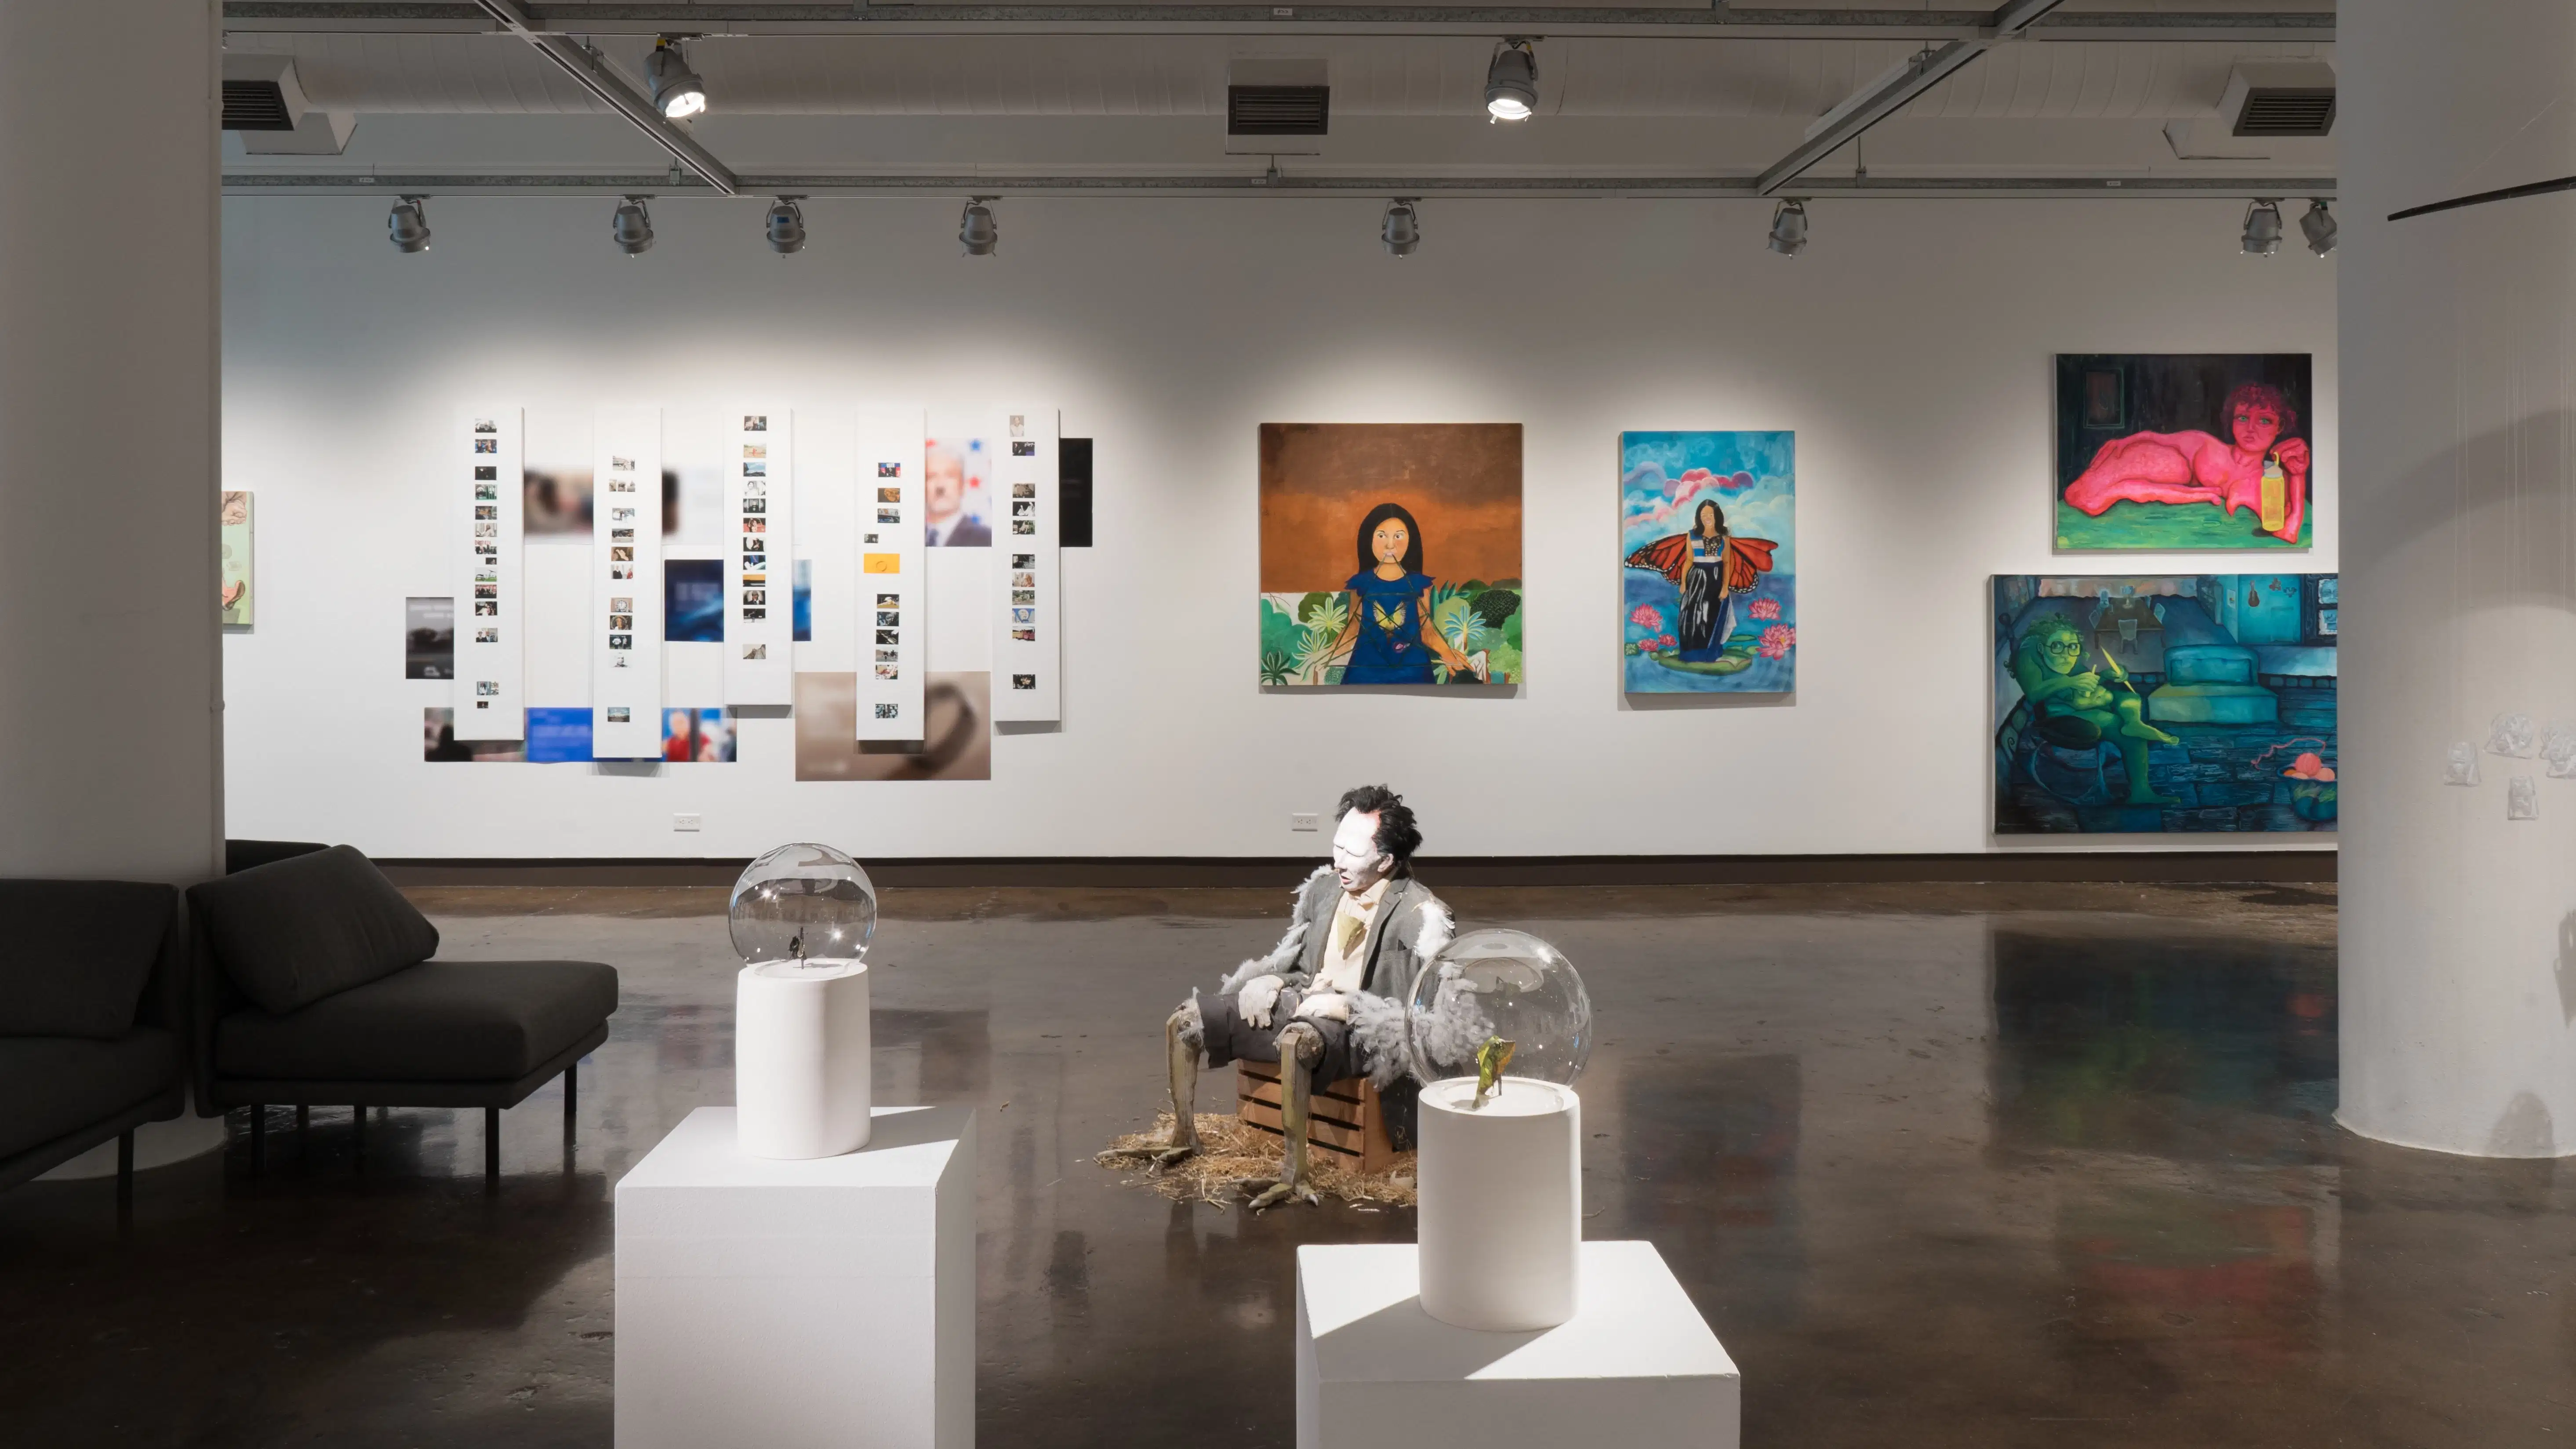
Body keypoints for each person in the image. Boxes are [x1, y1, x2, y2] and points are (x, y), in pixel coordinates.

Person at [1148, 785, 1453, 1209]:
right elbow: (1297, 959)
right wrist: (1271, 980)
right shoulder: (1324, 890)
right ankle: (1184, 1135)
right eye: (1337, 848)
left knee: (1297, 1040)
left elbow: (1422, 1012)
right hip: (1307, 999)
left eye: (1353, 853)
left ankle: (1294, 1172)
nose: (1339, 861)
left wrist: (1348, 1006)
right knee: (1186, 1019)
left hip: (1361, 1025)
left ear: (1386, 860)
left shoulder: (1421, 916)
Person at [2062, 380, 2311, 542]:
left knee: (2088, 499)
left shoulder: (2265, 480)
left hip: (2142, 476)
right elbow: (2159, 438)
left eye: (2265, 421)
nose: (2251, 428)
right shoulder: (2206, 444)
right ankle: (2129, 488)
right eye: (2243, 418)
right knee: (2082, 494)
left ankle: (2126, 489)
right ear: (2232, 420)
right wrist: (2124, 442)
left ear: (2281, 427)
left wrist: (2299, 476)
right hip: (2137, 465)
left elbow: (2288, 532)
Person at [2011, 614, 2180, 807]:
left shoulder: (2068, 653)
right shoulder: (2028, 655)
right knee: (2115, 723)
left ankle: (2135, 723)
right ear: (2042, 647)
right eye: (2057, 646)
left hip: (2082, 701)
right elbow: (2034, 694)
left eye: (2072, 647)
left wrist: (2107, 675)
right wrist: (2070, 682)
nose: (2066, 654)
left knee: (2129, 699)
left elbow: (2085, 679)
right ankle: (2140, 791)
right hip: (2059, 714)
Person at [1320, 503, 1486, 684]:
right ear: (1369, 538)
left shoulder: (1419, 585)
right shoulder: (1360, 585)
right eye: (1382, 536)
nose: (1390, 544)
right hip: (1366, 673)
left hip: (1414, 673)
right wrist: (1324, 657)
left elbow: (1428, 632)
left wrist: (1448, 654)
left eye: (1398, 536)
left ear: (1410, 540)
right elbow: (1352, 629)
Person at [1622, 498, 1778, 660]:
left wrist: (1725, 588)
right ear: (1699, 517)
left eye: (1711, 514)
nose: (1707, 517)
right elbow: (1689, 560)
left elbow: (1727, 562)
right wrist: (1683, 582)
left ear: (1717, 516)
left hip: (1717, 576)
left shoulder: (1724, 537)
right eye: (1704, 515)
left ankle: (1710, 653)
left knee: (1713, 615)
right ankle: (1691, 653)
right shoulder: (1692, 536)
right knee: (1691, 615)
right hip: (1696, 576)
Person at [923, 443, 990, 547]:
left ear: (962, 485)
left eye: (950, 476)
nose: (940, 485)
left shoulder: (987, 539)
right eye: (932, 477)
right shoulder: (911, 537)